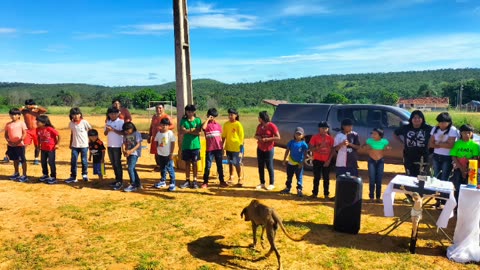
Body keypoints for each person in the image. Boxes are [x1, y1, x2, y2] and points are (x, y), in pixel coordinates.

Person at [429, 112, 458, 209]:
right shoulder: (435, 129)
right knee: (436, 177)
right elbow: (431, 143)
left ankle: (444, 202)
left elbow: (451, 145)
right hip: (436, 156)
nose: (442, 124)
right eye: (440, 122)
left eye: (444, 122)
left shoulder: (453, 130)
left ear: (449, 122)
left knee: (445, 179)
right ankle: (437, 201)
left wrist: (438, 144)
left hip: (447, 157)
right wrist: (443, 143)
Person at [394, 110, 433, 177]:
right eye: (414, 118)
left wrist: (430, 144)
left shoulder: (428, 128)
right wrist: (402, 142)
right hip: (409, 156)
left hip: (423, 157)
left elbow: (435, 136)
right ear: (411, 119)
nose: (416, 119)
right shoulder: (405, 127)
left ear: (422, 119)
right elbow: (395, 134)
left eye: (419, 118)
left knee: (422, 177)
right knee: (410, 177)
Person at [450, 124, 479, 202]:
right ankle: (456, 204)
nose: (467, 135)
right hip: (458, 168)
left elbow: (475, 158)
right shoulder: (457, 143)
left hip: (470, 169)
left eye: (469, 132)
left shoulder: (475, 145)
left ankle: (467, 203)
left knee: (469, 187)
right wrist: (461, 168)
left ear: (472, 133)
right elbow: (453, 156)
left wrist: (466, 169)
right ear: (460, 133)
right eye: (464, 132)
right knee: (457, 186)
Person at [201, 108, 227, 188]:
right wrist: (208, 119)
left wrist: (222, 147)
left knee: (219, 165)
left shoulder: (218, 125)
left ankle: (222, 181)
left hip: (218, 148)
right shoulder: (206, 124)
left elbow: (220, 137)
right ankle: (205, 182)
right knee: (208, 166)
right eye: (211, 116)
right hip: (210, 149)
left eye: (214, 116)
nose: (212, 118)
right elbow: (203, 128)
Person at [363, 128, 390, 203]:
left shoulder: (384, 141)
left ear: (380, 135)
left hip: (380, 161)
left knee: (379, 179)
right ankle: (371, 197)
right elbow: (363, 147)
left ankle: (378, 197)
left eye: (375, 134)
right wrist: (368, 148)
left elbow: (387, 148)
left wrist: (387, 149)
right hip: (371, 160)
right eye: (372, 133)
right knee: (372, 179)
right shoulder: (369, 141)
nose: (373, 135)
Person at [254, 111, 280, 190]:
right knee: (260, 166)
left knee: (269, 166)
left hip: (269, 148)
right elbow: (255, 135)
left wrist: (267, 139)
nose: (258, 119)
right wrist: (259, 138)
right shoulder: (259, 126)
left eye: (259, 117)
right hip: (260, 148)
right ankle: (262, 183)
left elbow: (278, 137)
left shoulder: (272, 126)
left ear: (262, 118)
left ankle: (272, 183)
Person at [309, 121, 334, 200]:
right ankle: (314, 193)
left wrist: (329, 160)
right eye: (322, 128)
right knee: (316, 177)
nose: (324, 130)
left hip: (326, 161)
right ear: (319, 129)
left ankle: (326, 194)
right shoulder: (315, 137)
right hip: (317, 160)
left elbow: (333, 150)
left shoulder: (330, 138)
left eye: (326, 128)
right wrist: (318, 147)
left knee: (326, 178)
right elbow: (311, 148)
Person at [66, 107, 92, 184]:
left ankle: (84, 174)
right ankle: (73, 176)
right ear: (71, 116)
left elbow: (91, 131)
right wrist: (70, 143)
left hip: (84, 145)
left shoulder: (84, 122)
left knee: (84, 160)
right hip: (75, 145)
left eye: (77, 114)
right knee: (73, 161)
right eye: (74, 114)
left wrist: (91, 142)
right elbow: (72, 133)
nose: (76, 116)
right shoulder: (71, 123)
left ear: (80, 114)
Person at [280, 127, 308, 197]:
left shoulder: (304, 144)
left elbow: (305, 154)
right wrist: (284, 160)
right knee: (289, 176)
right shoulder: (291, 142)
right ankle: (288, 188)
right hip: (291, 162)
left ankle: (299, 189)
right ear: (294, 134)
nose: (298, 135)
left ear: (303, 135)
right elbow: (287, 151)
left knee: (299, 177)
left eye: (300, 134)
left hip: (299, 163)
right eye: (297, 134)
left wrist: (302, 162)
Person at [179, 104, 202, 189]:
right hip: (186, 145)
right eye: (188, 111)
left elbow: (198, 132)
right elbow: (181, 131)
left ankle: (195, 180)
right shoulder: (183, 120)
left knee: (195, 163)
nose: (190, 113)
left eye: (191, 111)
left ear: (194, 112)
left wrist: (187, 131)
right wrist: (192, 130)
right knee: (187, 163)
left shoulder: (198, 120)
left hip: (195, 145)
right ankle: (187, 180)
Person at [147, 103, 174, 172]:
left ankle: (165, 166)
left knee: (163, 152)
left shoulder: (166, 116)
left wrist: (163, 129)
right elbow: (151, 126)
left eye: (160, 108)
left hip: (163, 138)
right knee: (156, 152)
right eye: (157, 108)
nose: (158, 109)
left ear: (163, 108)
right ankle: (158, 165)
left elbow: (172, 126)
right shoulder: (154, 117)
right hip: (155, 137)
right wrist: (149, 135)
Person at [222, 108, 245, 186]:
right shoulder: (226, 124)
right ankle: (231, 177)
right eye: (229, 114)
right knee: (230, 163)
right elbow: (224, 136)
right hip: (228, 147)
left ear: (236, 115)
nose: (230, 116)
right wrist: (222, 146)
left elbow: (241, 137)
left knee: (236, 163)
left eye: (232, 114)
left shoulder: (238, 124)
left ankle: (240, 178)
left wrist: (241, 147)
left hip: (236, 148)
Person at [21, 99, 47, 165]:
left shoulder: (37, 111)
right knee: (24, 145)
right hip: (27, 130)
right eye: (28, 104)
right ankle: (22, 159)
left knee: (37, 146)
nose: (29, 106)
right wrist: (23, 107)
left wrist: (36, 107)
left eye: (30, 104)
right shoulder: (24, 111)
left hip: (36, 130)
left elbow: (45, 110)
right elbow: (17, 111)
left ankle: (36, 159)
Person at [4, 108, 28, 182]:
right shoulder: (8, 124)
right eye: (11, 114)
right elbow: (6, 134)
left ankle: (24, 175)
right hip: (11, 145)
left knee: (22, 160)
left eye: (15, 114)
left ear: (19, 115)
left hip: (20, 145)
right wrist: (9, 141)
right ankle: (16, 172)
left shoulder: (21, 123)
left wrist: (19, 141)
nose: (13, 116)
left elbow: (24, 133)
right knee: (15, 159)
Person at [153, 118, 177, 191]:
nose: (164, 126)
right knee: (162, 167)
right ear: (160, 125)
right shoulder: (159, 133)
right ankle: (163, 181)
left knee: (170, 168)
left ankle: (172, 183)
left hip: (168, 154)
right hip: (161, 154)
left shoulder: (170, 133)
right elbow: (156, 140)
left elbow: (173, 143)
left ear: (168, 126)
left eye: (166, 125)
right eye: (163, 125)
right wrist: (157, 148)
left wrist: (171, 153)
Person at [105, 107, 125, 190]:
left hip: (117, 146)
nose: (113, 115)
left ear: (118, 114)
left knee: (117, 163)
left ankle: (120, 181)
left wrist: (113, 130)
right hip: (110, 145)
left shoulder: (121, 122)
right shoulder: (108, 122)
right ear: (108, 114)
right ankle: (117, 179)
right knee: (113, 163)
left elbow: (123, 132)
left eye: (114, 113)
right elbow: (105, 133)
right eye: (111, 113)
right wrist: (108, 130)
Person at [36, 115, 60, 184]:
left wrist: (57, 144)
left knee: (51, 162)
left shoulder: (50, 129)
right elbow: (38, 137)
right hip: (43, 148)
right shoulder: (38, 129)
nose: (37, 122)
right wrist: (38, 145)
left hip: (51, 148)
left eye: (38, 121)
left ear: (44, 122)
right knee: (43, 162)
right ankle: (45, 174)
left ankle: (53, 176)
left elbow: (58, 135)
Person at [122, 122, 143, 192]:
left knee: (130, 168)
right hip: (129, 153)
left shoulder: (136, 133)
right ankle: (138, 183)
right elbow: (124, 143)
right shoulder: (125, 135)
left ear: (132, 128)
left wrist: (131, 151)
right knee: (132, 168)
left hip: (135, 153)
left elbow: (138, 144)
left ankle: (133, 184)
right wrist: (125, 151)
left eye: (127, 130)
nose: (126, 132)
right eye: (125, 131)